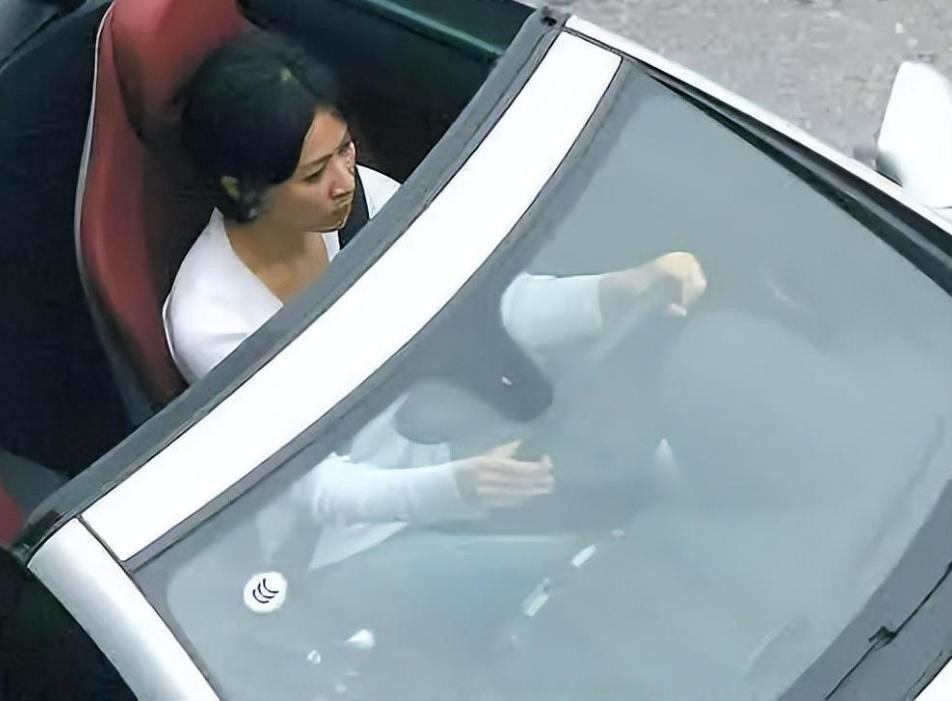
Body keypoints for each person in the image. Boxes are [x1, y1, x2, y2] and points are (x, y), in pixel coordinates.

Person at [163, 31, 706, 548]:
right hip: (354, 541)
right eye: (313, 175)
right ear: (241, 186)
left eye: (345, 150)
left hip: (452, 440)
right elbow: (316, 489)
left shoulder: (361, 200)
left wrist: (616, 292)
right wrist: (459, 487)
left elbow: (486, 304)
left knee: (671, 474)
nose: (344, 181)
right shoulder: (213, 322)